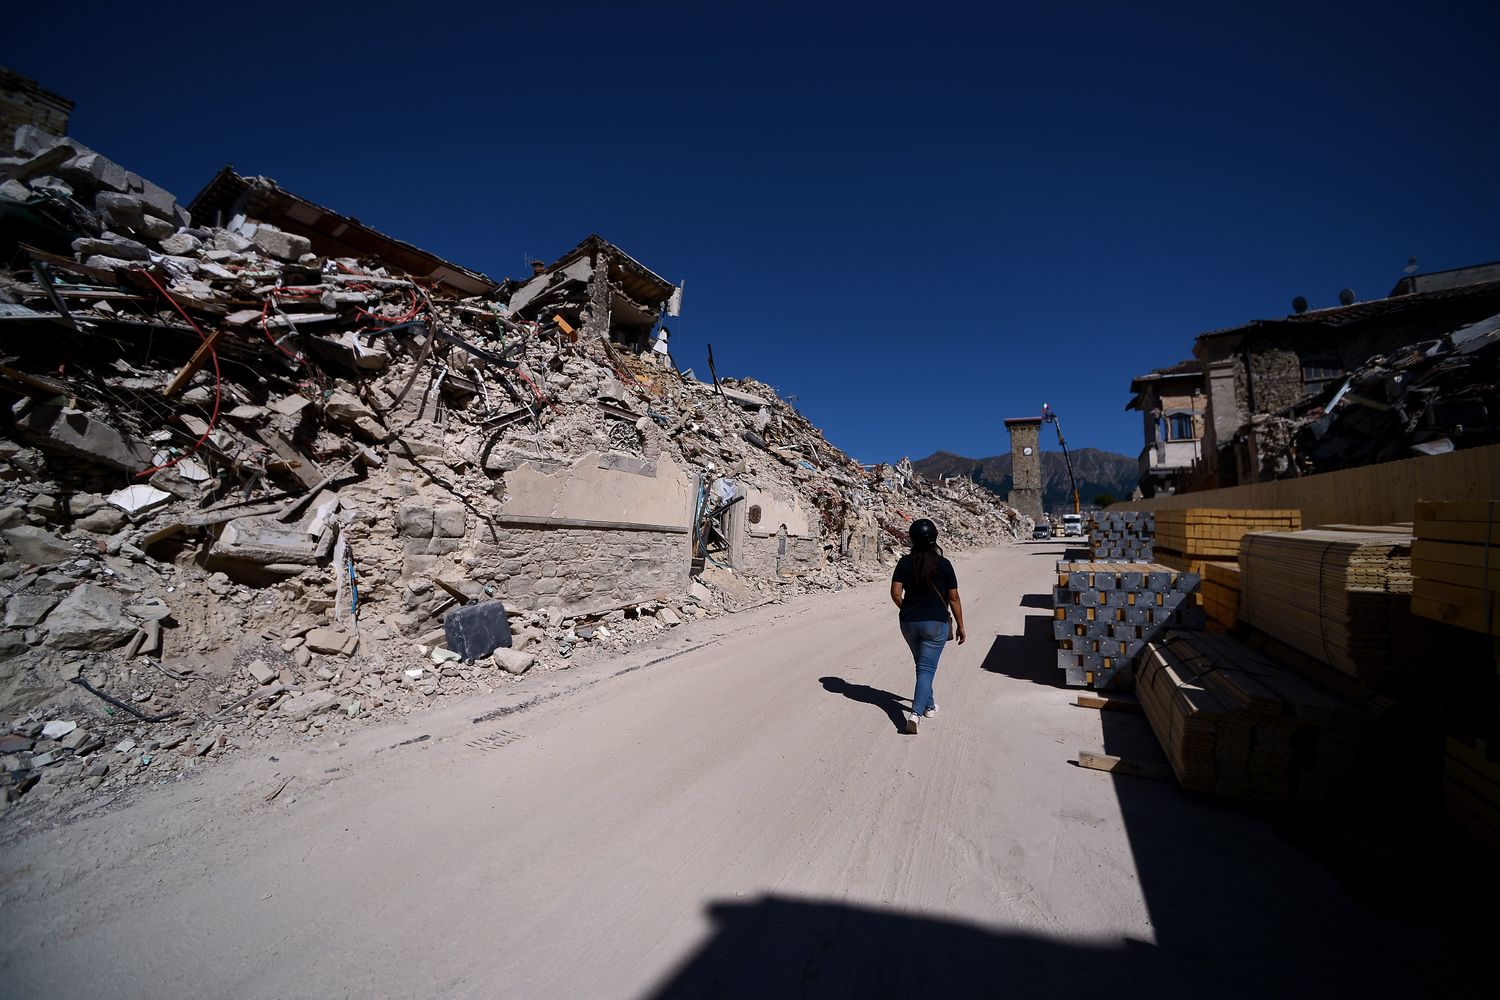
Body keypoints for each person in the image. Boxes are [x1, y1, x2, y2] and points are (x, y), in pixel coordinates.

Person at [889, 518, 965, 735]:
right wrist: (960, 625)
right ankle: (915, 714)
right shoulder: (944, 565)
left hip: (908, 623)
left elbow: (895, 594)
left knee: (922, 666)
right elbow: (954, 598)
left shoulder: (904, 563)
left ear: (912, 539)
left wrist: (908, 608)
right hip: (935, 623)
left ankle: (929, 706)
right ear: (935, 538)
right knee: (926, 668)